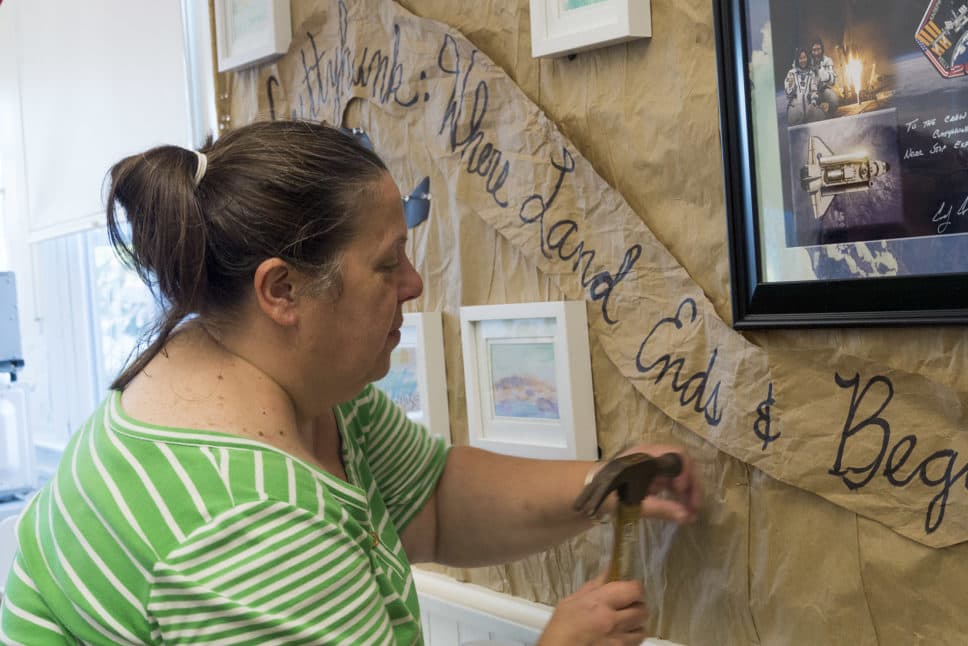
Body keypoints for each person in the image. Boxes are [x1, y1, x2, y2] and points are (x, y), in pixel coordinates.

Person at [0, 120, 700, 645]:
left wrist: (607, 482)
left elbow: (429, 504)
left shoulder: (275, 378)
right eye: (387, 263)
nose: (415, 284)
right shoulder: (252, 534)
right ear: (282, 291)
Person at [784, 48, 824, 126]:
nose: (803, 60)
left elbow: (814, 90)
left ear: (807, 58)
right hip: (795, 109)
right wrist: (791, 84)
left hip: (809, 109)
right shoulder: (791, 73)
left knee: (820, 116)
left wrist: (813, 103)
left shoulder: (811, 73)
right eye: (800, 58)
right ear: (797, 59)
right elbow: (788, 94)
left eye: (804, 57)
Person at [809, 38, 839, 117]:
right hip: (810, 92)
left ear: (822, 49)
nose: (816, 52)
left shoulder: (827, 60)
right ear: (811, 51)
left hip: (822, 90)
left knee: (834, 100)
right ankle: (818, 109)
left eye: (818, 49)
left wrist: (824, 74)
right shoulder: (807, 61)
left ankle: (824, 112)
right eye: (814, 50)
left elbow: (833, 82)